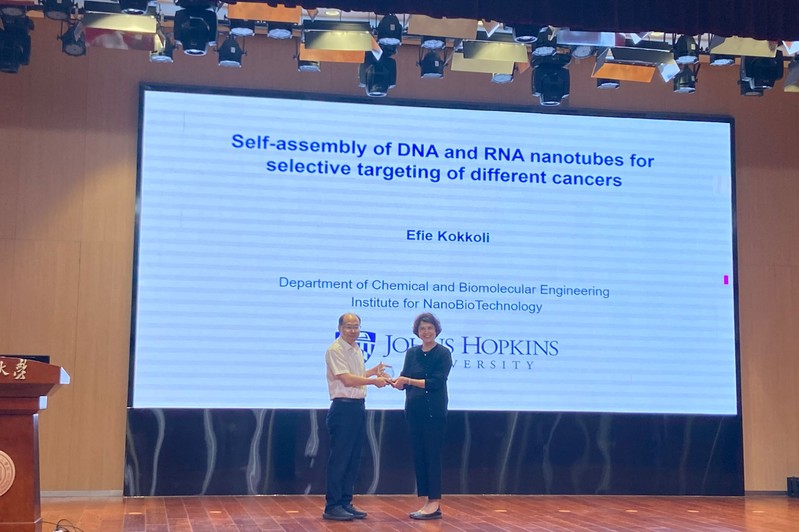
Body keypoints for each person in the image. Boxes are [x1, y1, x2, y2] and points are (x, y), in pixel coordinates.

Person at [323, 312, 389, 521]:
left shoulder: (356, 348)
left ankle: (345, 502)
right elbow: (347, 380)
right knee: (340, 459)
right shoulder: (335, 349)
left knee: (352, 458)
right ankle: (332, 506)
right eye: (349, 326)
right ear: (340, 328)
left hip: (357, 407)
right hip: (343, 408)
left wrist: (372, 371)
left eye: (356, 326)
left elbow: (357, 376)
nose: (353, 330)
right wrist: (374, 382)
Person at [391, 312, 452, 520]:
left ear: (436, 330)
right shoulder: (412, 353)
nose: (426, 332)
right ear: (417, 332)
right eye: (422, 328)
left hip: (433, 413)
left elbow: (436, 382)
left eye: (430, 328)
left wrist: (408, 381)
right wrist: (395, 382)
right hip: (414, 412)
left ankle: (434, 502)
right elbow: (404, 379)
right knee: (420, 457)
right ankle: (428, 501)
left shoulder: (443, 353)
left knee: (432, 456)